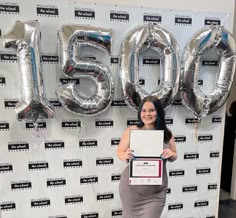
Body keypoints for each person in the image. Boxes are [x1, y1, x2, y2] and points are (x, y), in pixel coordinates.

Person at [117, 96, 177, 218]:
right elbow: (120, 151)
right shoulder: (131, 130)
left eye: (151, 110)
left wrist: (171, 155)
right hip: (131, 190)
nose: (147, 114)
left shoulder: (167, 133)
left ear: (158, 112)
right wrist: (125, 155)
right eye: (143, 111)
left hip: (156, 192)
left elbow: (174, 154)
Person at [221, 100, 236, 192]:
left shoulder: (230, 121)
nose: (230, 109)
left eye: (231, 107)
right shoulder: (229, 120)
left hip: (229, 149)